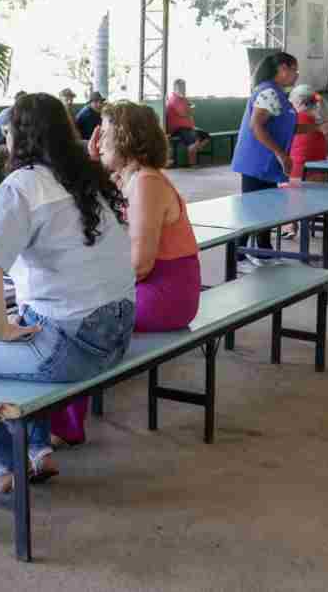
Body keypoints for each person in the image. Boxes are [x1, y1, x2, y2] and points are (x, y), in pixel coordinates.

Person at [0, 93, 135, 492]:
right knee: (27, 324)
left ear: (19, 136)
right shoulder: (89, 179)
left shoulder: (23, 185)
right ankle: (38, 453)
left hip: (72, 346)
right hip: (117, 335)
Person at [51, 100, 202, 447]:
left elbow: (141, 264)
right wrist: (93, 163)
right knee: (75, 310)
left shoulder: (147, 183)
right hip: (156, 287)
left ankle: (63, 424)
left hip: (166, 293)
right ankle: (60, 419)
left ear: (126, 138)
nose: (99, 140)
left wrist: (94, 290)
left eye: (105, 133)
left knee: (79, 322)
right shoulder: (132, 178)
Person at [231, 52, 299, 266]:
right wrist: (281, 154)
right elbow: (256, 126)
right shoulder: (269, 91)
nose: (297, 74)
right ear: (282, 68)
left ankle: (258, 250)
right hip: (257, 160)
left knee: (263, 206)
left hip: (266, 162)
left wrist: (318, 128)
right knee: (252, 207)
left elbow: (287, 125)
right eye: (294, 69)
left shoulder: (278, 93)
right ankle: (242, 253)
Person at [287, 84, 328, 182]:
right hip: (322, 174)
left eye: (291, 102)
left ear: (298, 102)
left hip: (299, 175)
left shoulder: (295, 119)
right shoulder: (324, 119)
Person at [164, 79, 210, 162]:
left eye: (184, 87)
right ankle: (193, 164)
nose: (183, 89)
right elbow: (183, 112)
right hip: (178, 129)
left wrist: (189, 108)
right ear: (175, 88)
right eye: (181, 87)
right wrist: (190, 109)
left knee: (206, 136)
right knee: (193, 142)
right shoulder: (174, 99)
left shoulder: (183, 99)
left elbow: (189, 109)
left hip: (189, 127)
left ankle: (194, 149)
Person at [0, 92, 23, 165]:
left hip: (8, 146)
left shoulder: (22, 114)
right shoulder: (6, 114)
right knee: (16, 151)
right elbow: (9, 137)